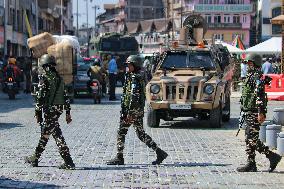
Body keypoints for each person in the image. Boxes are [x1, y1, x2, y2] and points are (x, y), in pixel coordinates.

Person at [106, 55, 168, 165]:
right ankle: (160, 152)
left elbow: (133, 96)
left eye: (129, 65)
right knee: (141, 134)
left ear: (135, 65)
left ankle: (119, 157)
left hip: (132, 111)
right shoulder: (135, 76)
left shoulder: (135, 78)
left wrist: (129, 112)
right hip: (136, 110)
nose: (127, 67)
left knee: (121, 132)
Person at [25, 54, 75, 170]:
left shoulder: (45, 78)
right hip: (58, 110)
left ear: (45, 66)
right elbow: (65, 96)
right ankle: (35, 158)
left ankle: (68, 161)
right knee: (46, 134)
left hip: (50, 110)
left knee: (57, 135)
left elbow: (40, 96)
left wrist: (37, 112)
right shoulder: (59, 79)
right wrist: (68, 112)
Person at [237, 53, 281, 172]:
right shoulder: (250, 75)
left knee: (252, 139)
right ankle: (254, 162)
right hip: (248, 111)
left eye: (250, 63)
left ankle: (270, 157)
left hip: (254, 112)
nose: (248, 65)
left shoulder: (257, 76)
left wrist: (260, 112)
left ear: (255, 63)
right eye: (247, 63)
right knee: (250, 139)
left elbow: (259, 95)